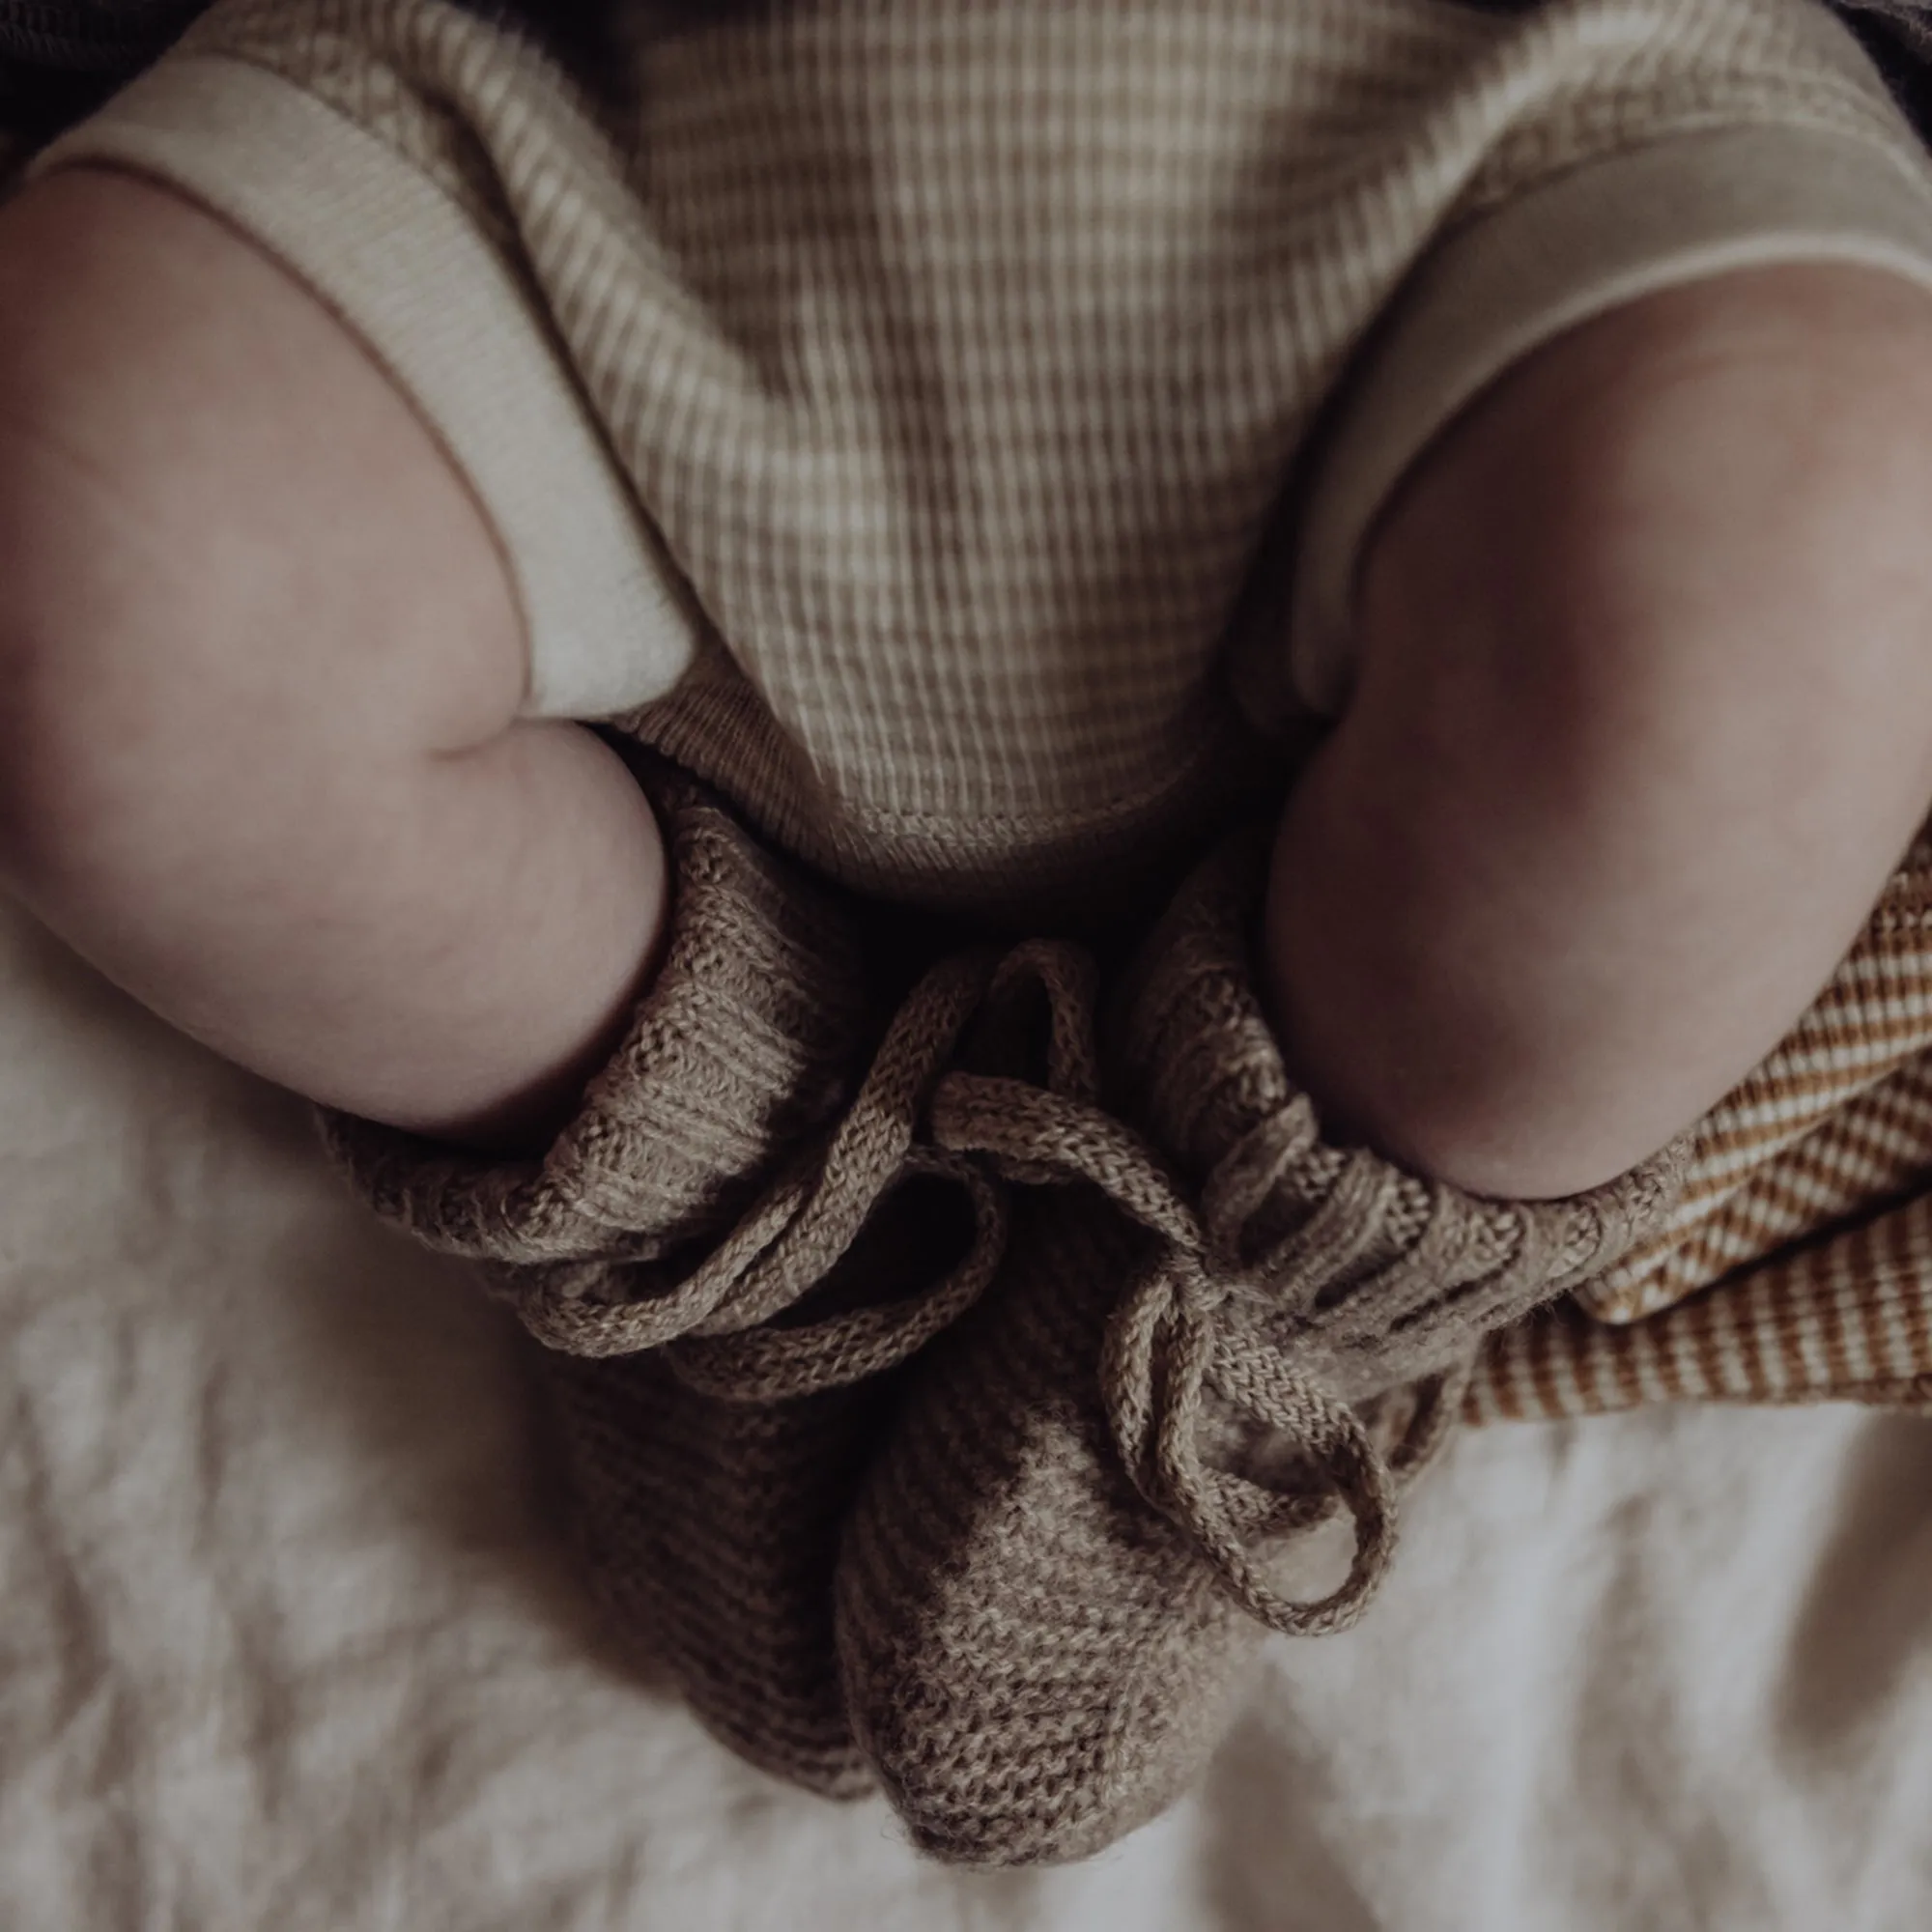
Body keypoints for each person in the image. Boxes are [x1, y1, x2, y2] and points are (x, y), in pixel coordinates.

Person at [7, 0, 1932, 1861]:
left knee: (1819, 538)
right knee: (88, 551)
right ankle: (741, 1166)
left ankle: (1266, 1273)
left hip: (1511, 133)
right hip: (554, 140)